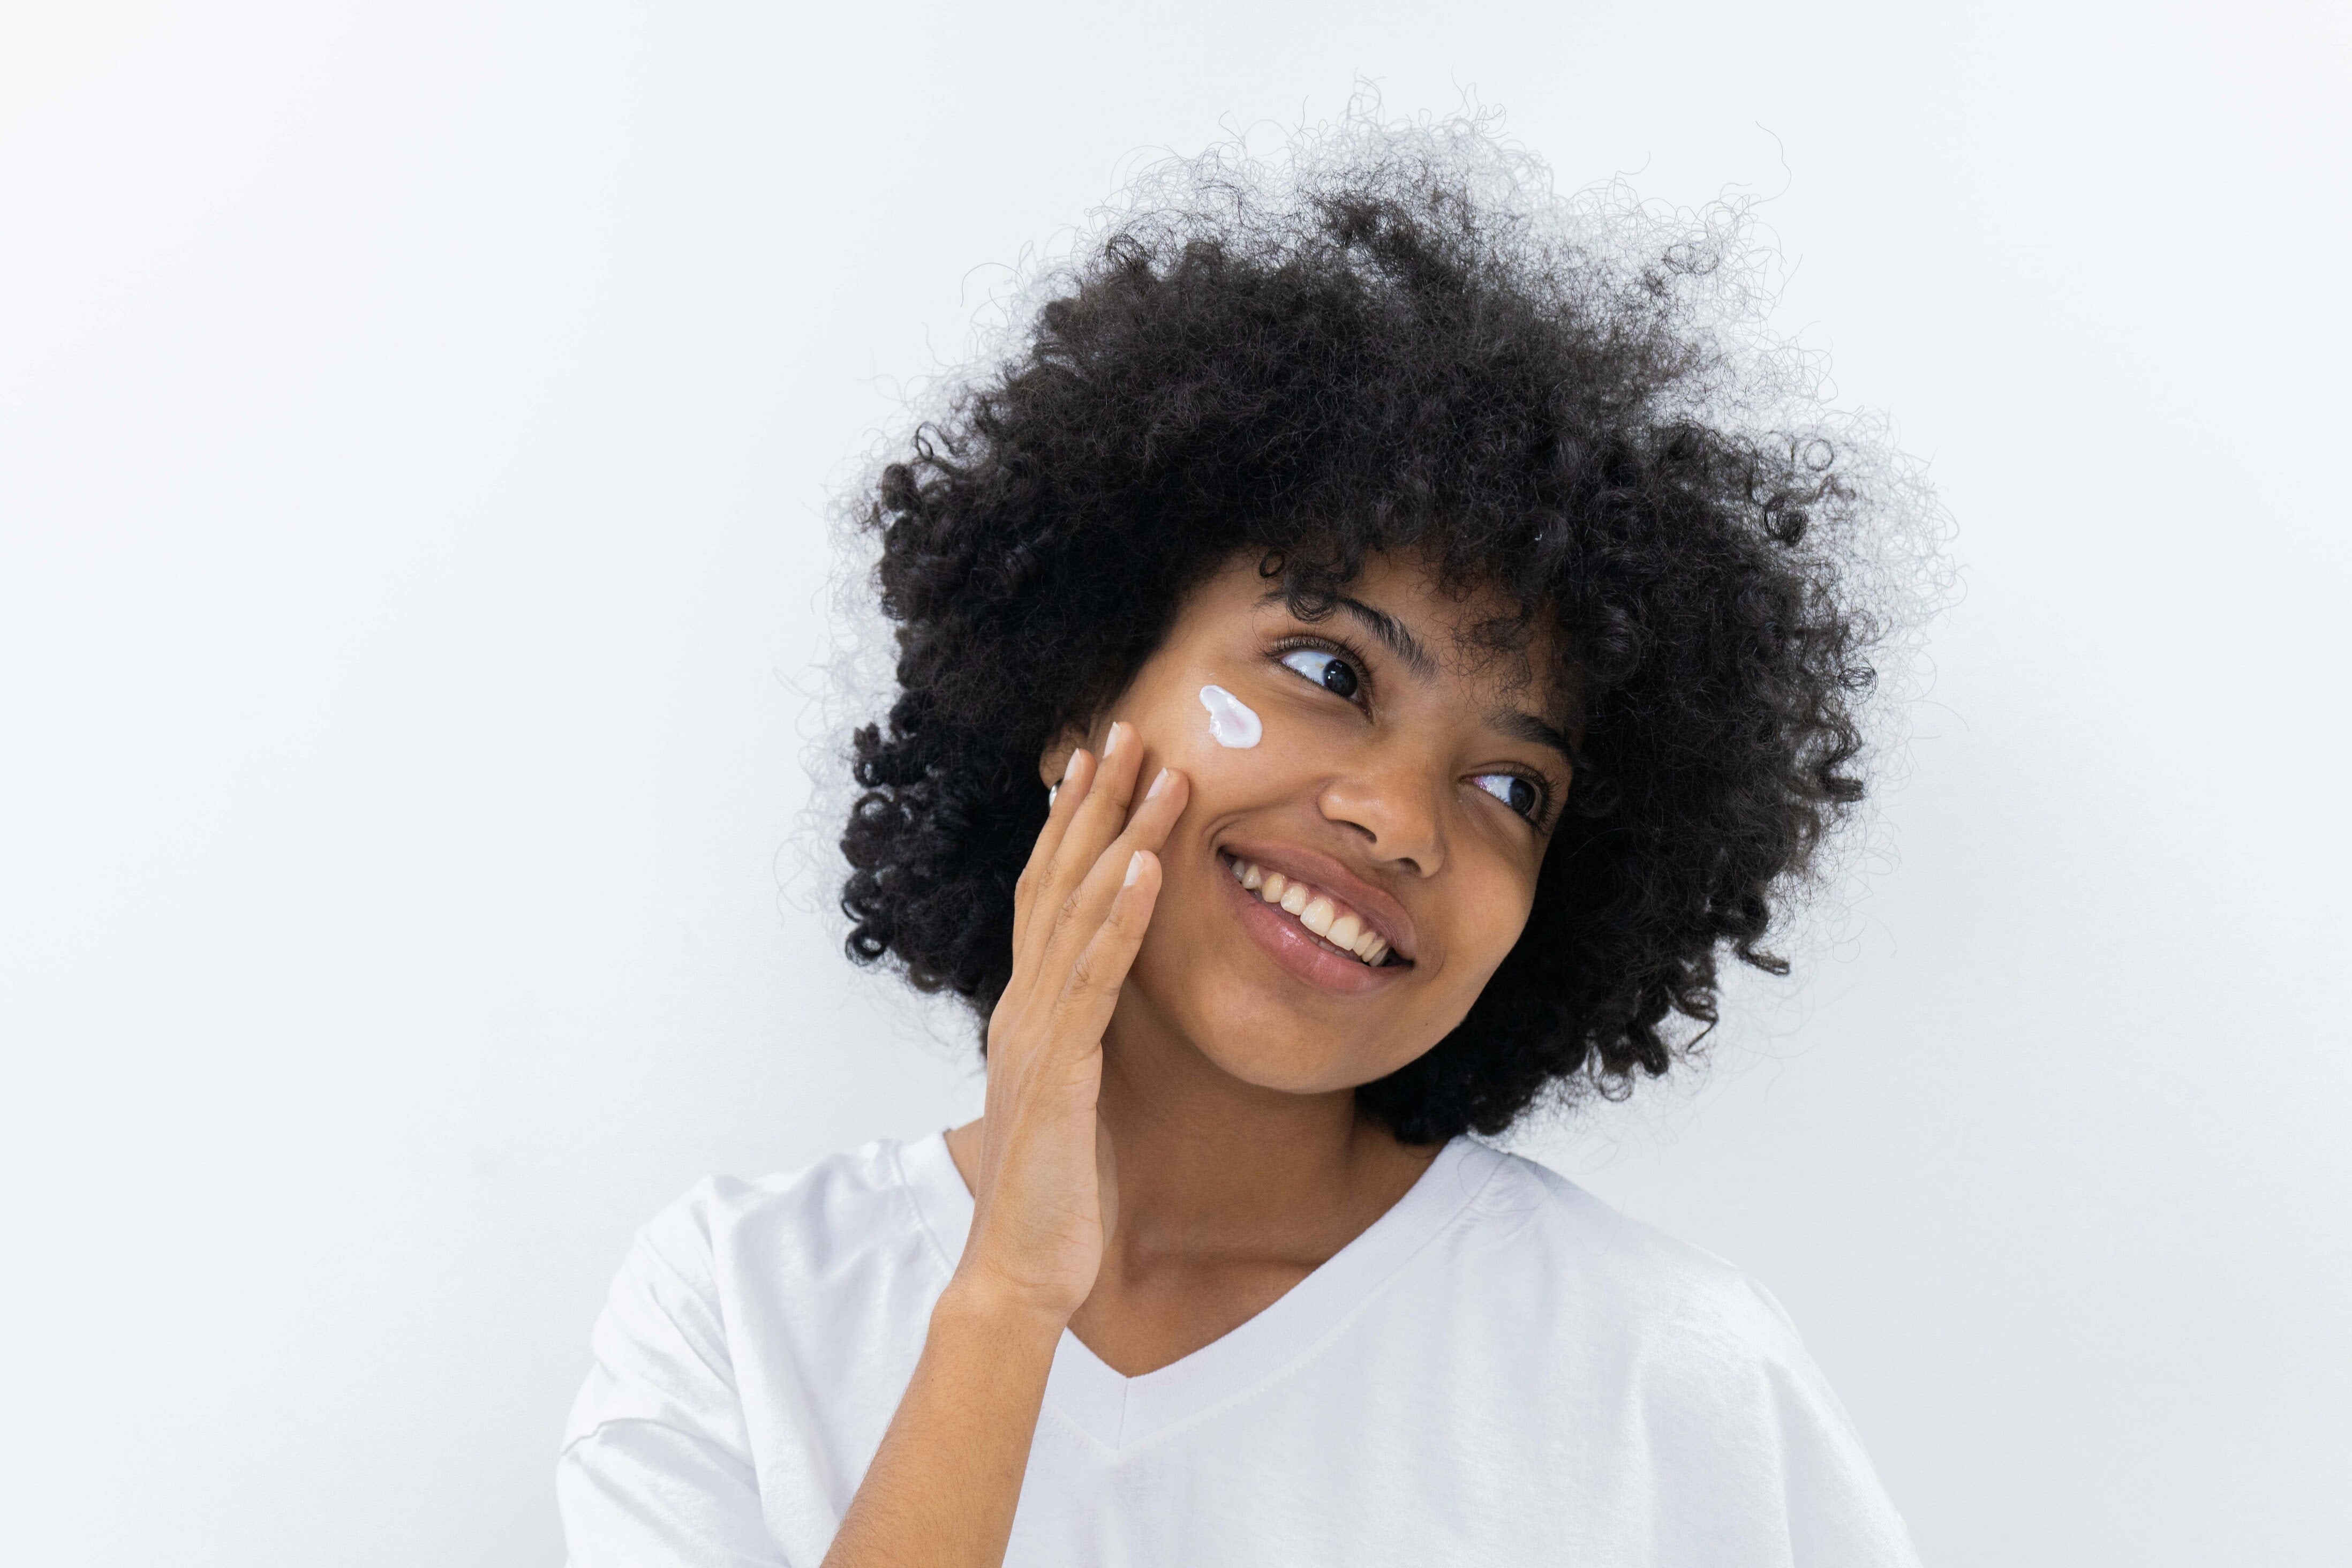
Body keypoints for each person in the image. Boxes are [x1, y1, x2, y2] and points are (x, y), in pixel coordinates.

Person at [558, 114, 1929, 1566]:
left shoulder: (1665, 1380)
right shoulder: (748, 1304)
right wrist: (1008, 1298)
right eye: (1330, 672)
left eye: (1513, 788)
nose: (1398, 819)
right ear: (1080, 682)